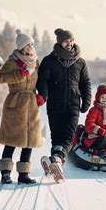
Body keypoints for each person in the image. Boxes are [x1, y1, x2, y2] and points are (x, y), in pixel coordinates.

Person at [0, 29, 45, 184]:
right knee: (11, 140)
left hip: (32, 104)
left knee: (29, 141)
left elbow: (43, 81)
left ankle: (23, 175)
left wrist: (42, 95)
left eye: (32, 44)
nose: (30, 47)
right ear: (21, 47)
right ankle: (5, 173)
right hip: (15, 103)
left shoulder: (35, 62)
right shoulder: (12, 62)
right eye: (27, 45)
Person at [36, 28, 91, 182]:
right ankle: (56, 161)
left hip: (73, 104)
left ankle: (56, 160)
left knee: (68, 136)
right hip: (54, 104)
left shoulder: (80, 62)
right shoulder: (49, 60)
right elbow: (43, 81)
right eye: (67, 41)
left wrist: (86, 100)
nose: (70, 43)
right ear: (60, 42)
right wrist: (43, 95)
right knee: (57, 136)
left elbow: (85, 83)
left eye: (71, 40)